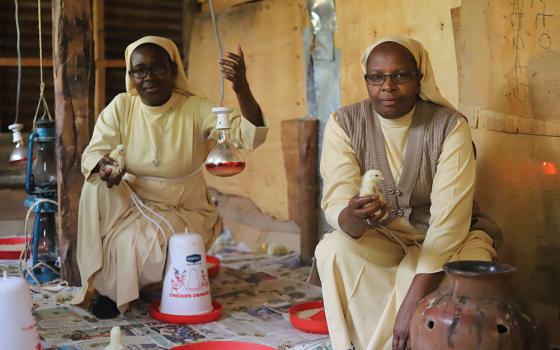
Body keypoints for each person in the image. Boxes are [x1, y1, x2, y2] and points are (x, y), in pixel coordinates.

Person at [315, 36, 499, 350]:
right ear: (367, 80)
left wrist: (413, 301)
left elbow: (449, 223)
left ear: (419, 78)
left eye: (400, 76)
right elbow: (337, 198)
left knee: (459, 277)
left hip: (452, 240)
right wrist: (353, 216)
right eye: (377, 77)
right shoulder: (343, 123)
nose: (387, 86)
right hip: (386, 238)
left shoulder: (449, 126)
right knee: (333, 249)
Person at [71, 36, 267, 318]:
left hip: (182, 206)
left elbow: (250, 135)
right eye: (140, 70)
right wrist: (105, 167)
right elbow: (93, 153)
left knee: (136, 243)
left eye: (158, 68)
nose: (148, 77)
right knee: (94, 186)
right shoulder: (122, 106)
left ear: (173, 70)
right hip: (131, 201)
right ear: (131, 75)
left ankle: (118, 292)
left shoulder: (196, 107)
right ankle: (108, 289)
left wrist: (241, 88)